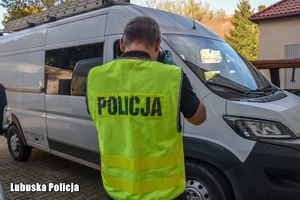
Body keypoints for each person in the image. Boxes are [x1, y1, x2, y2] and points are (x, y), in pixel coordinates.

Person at [86, 16, 206, 200]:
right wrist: (179, 77)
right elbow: (199, 117)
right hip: (165, 193)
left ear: (122, 44)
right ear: (158, 44)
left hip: (117, 191)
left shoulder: (95, 77)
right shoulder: (173, 76)